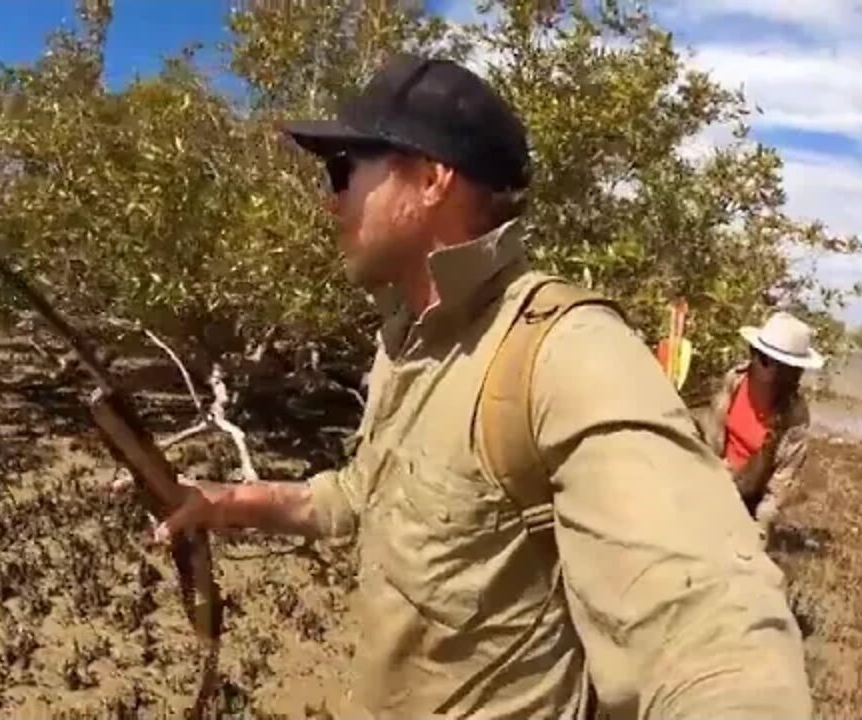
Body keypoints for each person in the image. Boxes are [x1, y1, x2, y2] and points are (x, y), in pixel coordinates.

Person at [126, 55, 812, 719]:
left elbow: (709, 620)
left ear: (430, 179)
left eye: (343, 170)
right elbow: (359, 497)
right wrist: (219, 502)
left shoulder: (564, 351)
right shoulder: (406, 335)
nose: (330, 197)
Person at [691, 311, 822, 545]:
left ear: (787, 370)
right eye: (755, 353)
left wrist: (759, 533)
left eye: (764, 359)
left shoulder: (795, 417)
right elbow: (712, 431)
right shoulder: (735, 379)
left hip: (744, 494)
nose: (755, 362)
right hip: (709, 474)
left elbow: (779, 486)